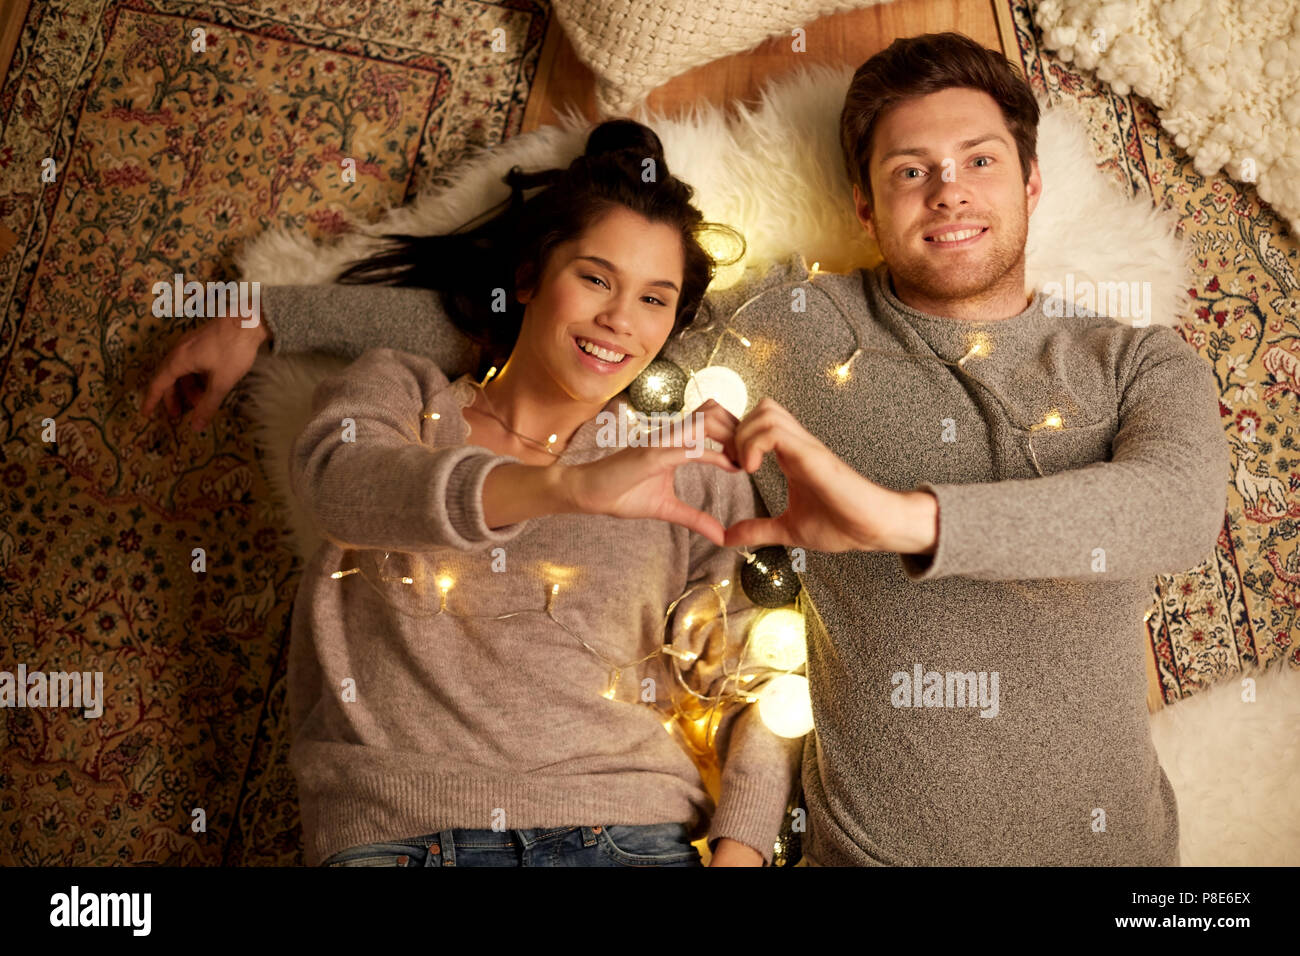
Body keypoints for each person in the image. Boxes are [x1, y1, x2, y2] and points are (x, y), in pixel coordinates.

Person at [144, 33, 1229, 865]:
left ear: (1029, 185)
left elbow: (1178, 508)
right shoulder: (798, 332)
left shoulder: (1135, 364)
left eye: (976, 161)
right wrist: (270, 315)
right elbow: (573, 335)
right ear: (862, 200)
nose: (946, 189)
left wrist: (903, 517)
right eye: (909, 169)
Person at [174, 118, 804, 867]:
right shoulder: (403, 395)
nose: (618, 321)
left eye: (653, 300)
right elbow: (337, 491)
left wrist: (745, 851)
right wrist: (566, 486)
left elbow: (756, 680)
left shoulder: (686, 460)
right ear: (531, 277)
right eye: (596, 278)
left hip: (630, 834)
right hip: (400, 834)